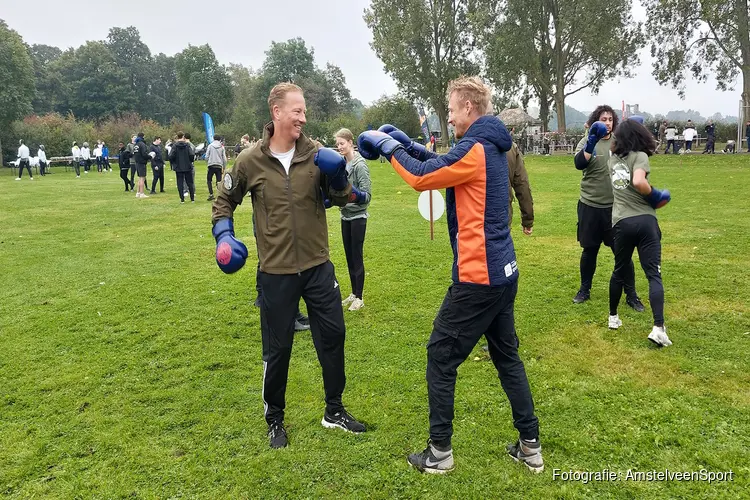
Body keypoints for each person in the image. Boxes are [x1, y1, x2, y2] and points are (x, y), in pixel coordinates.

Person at [360, 76, 542, 474]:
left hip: (479, 278)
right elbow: (438, 163)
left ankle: (439, 453)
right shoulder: (485, 144)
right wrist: (406, 143)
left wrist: (389, 149)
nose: (451, 118)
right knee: (506, 356)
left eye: (454, 110)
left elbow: (423, 178)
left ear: (470, 109)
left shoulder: (476, 148)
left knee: (440, 358)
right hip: (502, 273)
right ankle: (530, 446)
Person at [211, 82, 367, 449]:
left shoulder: (317, 154)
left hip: (317, 267)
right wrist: (223, 236)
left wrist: (340, 176)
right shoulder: (250, 160)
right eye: (297, 111)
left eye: (304, 112)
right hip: (276, 273)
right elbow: (224, 201)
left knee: (333, 337)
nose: (303, 117)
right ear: (276, 112)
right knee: (278, 349)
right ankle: (275, 420)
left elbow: (342, 199)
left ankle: (334, 411)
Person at [608, 119, 672, 346]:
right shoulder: (640, 156)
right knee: (653, 274)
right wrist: (654, 195)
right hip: (645, 221)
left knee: (620, 269)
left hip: (621, 222)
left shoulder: (613, 159)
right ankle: (658, 327)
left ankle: (613, 317)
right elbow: (638, 181)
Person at [573, 105, 643, 310]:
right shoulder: (587, 140)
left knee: (623, 253)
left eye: (610, 119)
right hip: (590, 205)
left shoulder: (620, 143)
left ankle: (631, 294)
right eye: (603, 119)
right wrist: (591, 143)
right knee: (589, 251)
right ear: (596, 120)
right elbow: (579, 164)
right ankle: (584, 289)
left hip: (616, 208)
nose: (607, 122)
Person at [334, 128, 372, 312]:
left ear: (351, 142)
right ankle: (353, 292)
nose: (339, 147)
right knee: (349, 256)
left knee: (356, 256)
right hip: (345, 215)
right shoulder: (342, 164)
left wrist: (355, 196)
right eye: (337, 144)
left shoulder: (360, 165)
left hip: (358, 217)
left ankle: (360, 297)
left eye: (342, 143)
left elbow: (368, 196)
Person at [507, 142, 534, 235]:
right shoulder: (509, 145)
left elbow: (522, 183)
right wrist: (528, 219)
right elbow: (522, 184)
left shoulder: (465, 144)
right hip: (502, 212)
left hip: (470, 214)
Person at [169, 132, 196, 203]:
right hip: (187, 166)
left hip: (178, 167)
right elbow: (191, 155)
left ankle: (182, 199)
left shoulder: (175, 146)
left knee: (180, 183)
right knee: (190, 182)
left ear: (177, 137)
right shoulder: (187, 145)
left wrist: (173, 163)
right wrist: (191, 161)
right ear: (183, 137)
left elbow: (171, 156)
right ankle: (192, 198)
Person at [205, 134, 227, 201]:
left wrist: (208, 162)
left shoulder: (210, 146)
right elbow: (224, 158)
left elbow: (206, 156)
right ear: (220, 139)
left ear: (213, 138)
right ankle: (219, 194)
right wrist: (224, 166)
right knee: (219, 181)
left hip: (211, 165)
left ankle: (211, 194)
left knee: (209, 180)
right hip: (219, 165)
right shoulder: (221, 147)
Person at [133, 132, 150, 199]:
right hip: (142, 163)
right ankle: (142, 193)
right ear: (143, 136)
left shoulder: (136, 144)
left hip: (137, 162)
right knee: (142, 178)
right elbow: (144, 154)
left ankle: (138, 192)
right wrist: (150, 157)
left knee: (140, 178)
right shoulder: (142, 144)